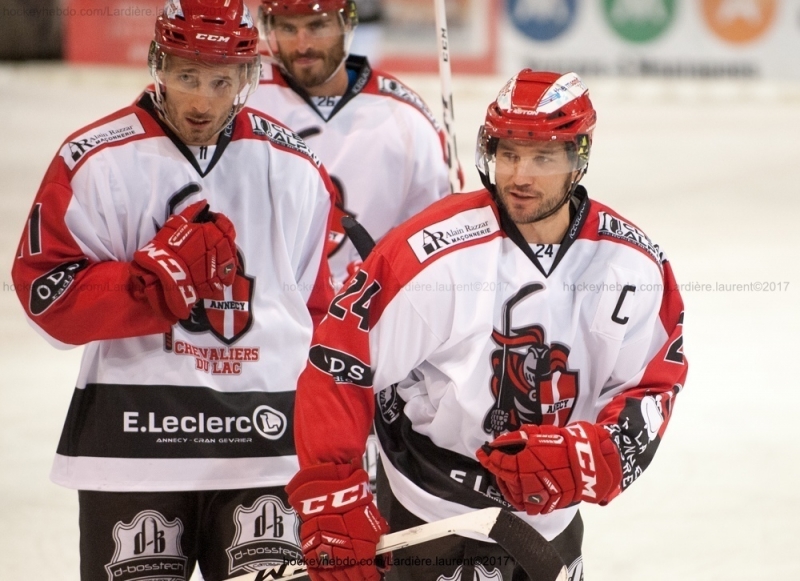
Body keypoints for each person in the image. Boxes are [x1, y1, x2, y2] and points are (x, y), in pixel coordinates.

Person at [284, 70, 688, 581]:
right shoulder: (428, 254)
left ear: (578, 159)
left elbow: (653, 385)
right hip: (427, 510)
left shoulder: (633, 265)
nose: (520, 175)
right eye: (509, 153)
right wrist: (332, 497)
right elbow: (340, 365)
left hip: (547, 518)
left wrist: (596, 454)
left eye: (543, 156)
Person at [10, 1, 335, 580]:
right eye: (188, 76)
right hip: (133, 446)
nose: (203, 99)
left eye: (220, 79)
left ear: (247, 77)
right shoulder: (95, 158)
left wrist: (333, 443)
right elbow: (47, 299)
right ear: (159, 65)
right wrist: (149, 288)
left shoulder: (294, 164)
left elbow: (315, 314)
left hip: (265, 449)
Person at [249, 0, 454, 288]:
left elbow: (435, 235)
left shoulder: (408, 121)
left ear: (347, 24)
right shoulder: (240, 96)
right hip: (258, 306)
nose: (302, 44)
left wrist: (387, 275)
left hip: (360, 313)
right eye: (287, 28)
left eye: (317, 26)